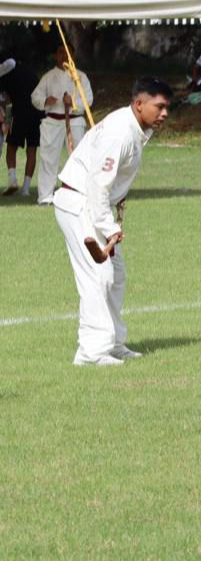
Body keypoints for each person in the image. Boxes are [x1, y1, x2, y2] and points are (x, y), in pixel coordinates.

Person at [53, 76, 172, 366]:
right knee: (97, 277)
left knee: (116, 276)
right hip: (80, 203)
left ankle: (114, 342)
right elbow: (97, 186)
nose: (165, 113)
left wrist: (115, 206)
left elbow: (108, 183)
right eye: (159, 107)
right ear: (139, 104)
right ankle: (91, 353)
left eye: (168, 107)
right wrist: (110, 228)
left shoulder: (137, 128)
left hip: (95, 203)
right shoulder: (119, 132)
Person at [32, 45, 94, 205]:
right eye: (61, 53)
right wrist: (46, 101)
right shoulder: (48, 77)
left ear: (73, 55)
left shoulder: (80, 76)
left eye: (68, 53)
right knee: (48, 158)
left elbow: (88, 99)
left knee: (79, 157)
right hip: (53, 121)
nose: (64, 56)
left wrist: (73, 102)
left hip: (74, 121)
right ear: (55, 56)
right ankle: (45, 196)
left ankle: (79, 192)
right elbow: (35, 97)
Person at [0, 57, 41, 197]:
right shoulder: (29, 71)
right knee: (32, 150)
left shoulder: (4, 74)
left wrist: (5, 119)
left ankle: (12, 180)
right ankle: (26, 190)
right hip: (37, 113)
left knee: (11, 147)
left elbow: (4, 99)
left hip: (19, 113)